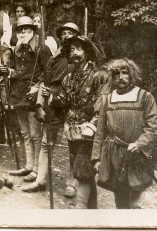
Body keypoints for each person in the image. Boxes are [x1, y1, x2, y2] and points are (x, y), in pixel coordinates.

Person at [37, 36, 108, 207]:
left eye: (78, 49)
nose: (74, 52)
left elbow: (102, 104)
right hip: (72, 130)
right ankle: (91, 209)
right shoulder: (69, 77)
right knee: (80, 171)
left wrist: (93, 125)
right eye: (71, 50)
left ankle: (85, 208)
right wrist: (50, 97)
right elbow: (63, 102)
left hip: (90, 130)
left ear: (87, 52)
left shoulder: (99, 76)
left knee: (83, 169)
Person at [92, 58, 157, 209]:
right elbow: (100, 131)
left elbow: (152, 127)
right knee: (120, 198)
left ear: (132, 75)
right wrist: (96, 158)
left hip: (136, 155)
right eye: (116, 74)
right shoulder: (108, 99)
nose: (120, 77)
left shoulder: (145, 97)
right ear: (112, 77)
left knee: (136, 200)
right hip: (114, 154)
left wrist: (139, 144)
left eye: (124, 73)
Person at [24, 21, 81, 196]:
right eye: (63, 33)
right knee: (47, 142)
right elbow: (45, 80)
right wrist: (40, 104)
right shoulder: (55, 57)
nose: (66, 36)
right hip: (53, 99)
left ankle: (72, 182)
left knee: (74, 143)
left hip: (74, 100)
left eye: (70, 32)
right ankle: (40, 180)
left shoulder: (82, 55)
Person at [7, 15, 50, 181]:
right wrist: (9, 72)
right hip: (19, 92)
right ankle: (28, 166)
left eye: (27, 29)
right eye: (20, 29)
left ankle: (37, 170)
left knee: (35, 133)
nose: (23, 32)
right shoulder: (19, 48)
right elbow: (17, 70)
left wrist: (37, 87)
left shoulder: (42, 48)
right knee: (25, 132)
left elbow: (48, 72)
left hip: (33, 93)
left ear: (33, 30)